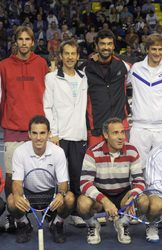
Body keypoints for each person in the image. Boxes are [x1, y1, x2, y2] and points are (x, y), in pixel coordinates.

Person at [0, 25, 48, 232]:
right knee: (11, 177)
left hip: (38, 130)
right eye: (20, 39)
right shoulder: (3, 65)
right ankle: (15, 216)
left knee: (39, 176)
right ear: (15, 42)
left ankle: (45, 214)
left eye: (27, 39)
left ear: (32, 42)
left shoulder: (42, 63)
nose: (24, 43)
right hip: (13, 129)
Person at [77, 117, 148, 245]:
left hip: (123, 195)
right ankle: (93, 225)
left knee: (143, 201)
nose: (121, 137)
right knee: (82, 203)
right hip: (101, 196)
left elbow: (140, 181)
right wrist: (105, 201)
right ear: (105, 135)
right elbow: (85, 184)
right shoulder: (92, 152)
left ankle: (123, 223)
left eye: (122, 132)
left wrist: (132, 196)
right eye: (115, 133)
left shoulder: (132, 150)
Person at [6, 115, 75, 243]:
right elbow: (16, 183)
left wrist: (61, 194)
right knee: (11, 200)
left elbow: (63, 183)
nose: (38, 137)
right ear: (29, 134)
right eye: (35, 133)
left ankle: (57, 224)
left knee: (69, 198)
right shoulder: (20, 152)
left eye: (42, 133)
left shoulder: (58, 152)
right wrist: (17, 195)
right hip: (28, 194)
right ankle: (24, 224)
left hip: (50, 194)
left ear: (49, 134)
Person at [43, 38, 88, 227]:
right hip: (59, 137)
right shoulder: (51, 77)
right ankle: (52, 212)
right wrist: (52, 133)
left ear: (78, 57)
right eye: (66, 53)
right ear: (61, 56)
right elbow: (47, 106)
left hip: (78, 135)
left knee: (76, 177)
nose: (70, 57)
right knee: (57, 179)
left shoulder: (83, 77)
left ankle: (75, 212)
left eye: (73, 54)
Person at [128, 33, 162, 166]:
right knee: (137, 169)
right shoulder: (135, 69)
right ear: (147, 50)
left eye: (160, 49)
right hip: (139, 128)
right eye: (153, 49)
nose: (157, 53)